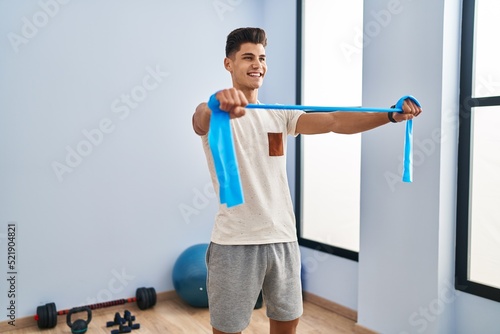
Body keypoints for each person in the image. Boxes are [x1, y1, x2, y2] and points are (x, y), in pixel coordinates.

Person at [192, 27, 422, 334]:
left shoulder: (279, 114)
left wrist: (391, 116)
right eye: (248, 57)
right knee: (228, 329)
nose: (257, 64)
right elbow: (200, 116)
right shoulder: (215, 114)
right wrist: (217, 102)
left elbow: (335, 120)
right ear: (228, 64)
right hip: (235, 243)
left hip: (283, 238)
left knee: (288, 321)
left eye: (262, 57)